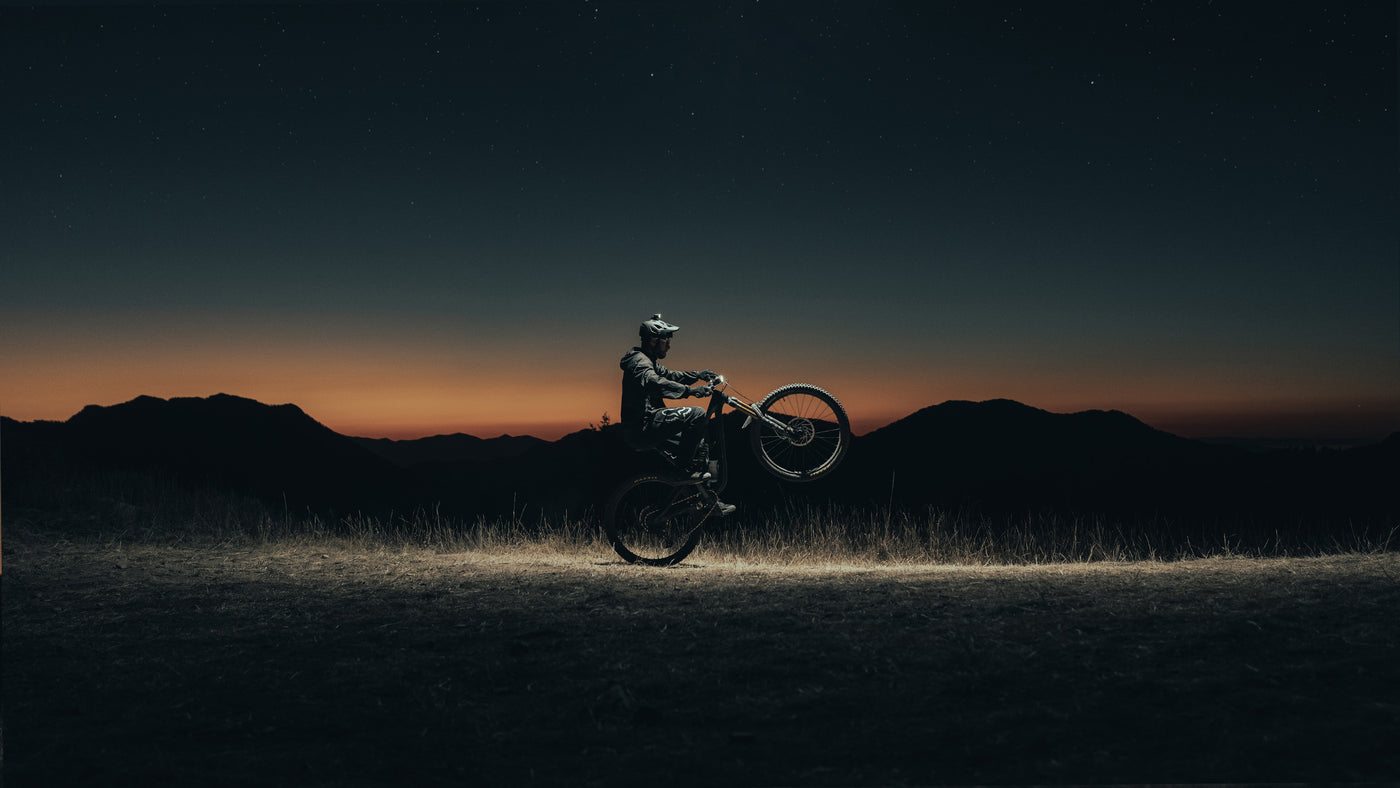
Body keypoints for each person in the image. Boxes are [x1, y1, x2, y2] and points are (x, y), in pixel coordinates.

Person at [619, 314, 736, 515]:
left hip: (649, 425)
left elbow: (671, 376)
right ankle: (680, 472)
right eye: (667, 341)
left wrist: (697, 375)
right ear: (654, 340)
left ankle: (707, 500)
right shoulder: (639, 362)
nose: (669, 346)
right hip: (643, 426)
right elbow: (655, 382)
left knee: (699, 449)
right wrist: (691, 392)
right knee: (698, 413)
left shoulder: (649, 360)